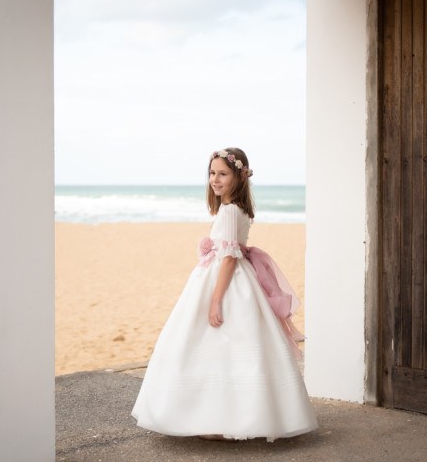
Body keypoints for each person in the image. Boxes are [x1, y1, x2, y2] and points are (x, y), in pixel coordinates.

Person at [131, 148, 318, 442]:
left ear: (239, 177)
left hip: (226, 283)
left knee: (219, 344)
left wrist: (216, 300)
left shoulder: (230, 211)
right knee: (225, 350)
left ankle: (221, 422)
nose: (215, 180)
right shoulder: (234, 208)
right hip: (226, 277)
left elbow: (229, 258)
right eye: (211, 173)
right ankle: (222, 418)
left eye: (222, 174)